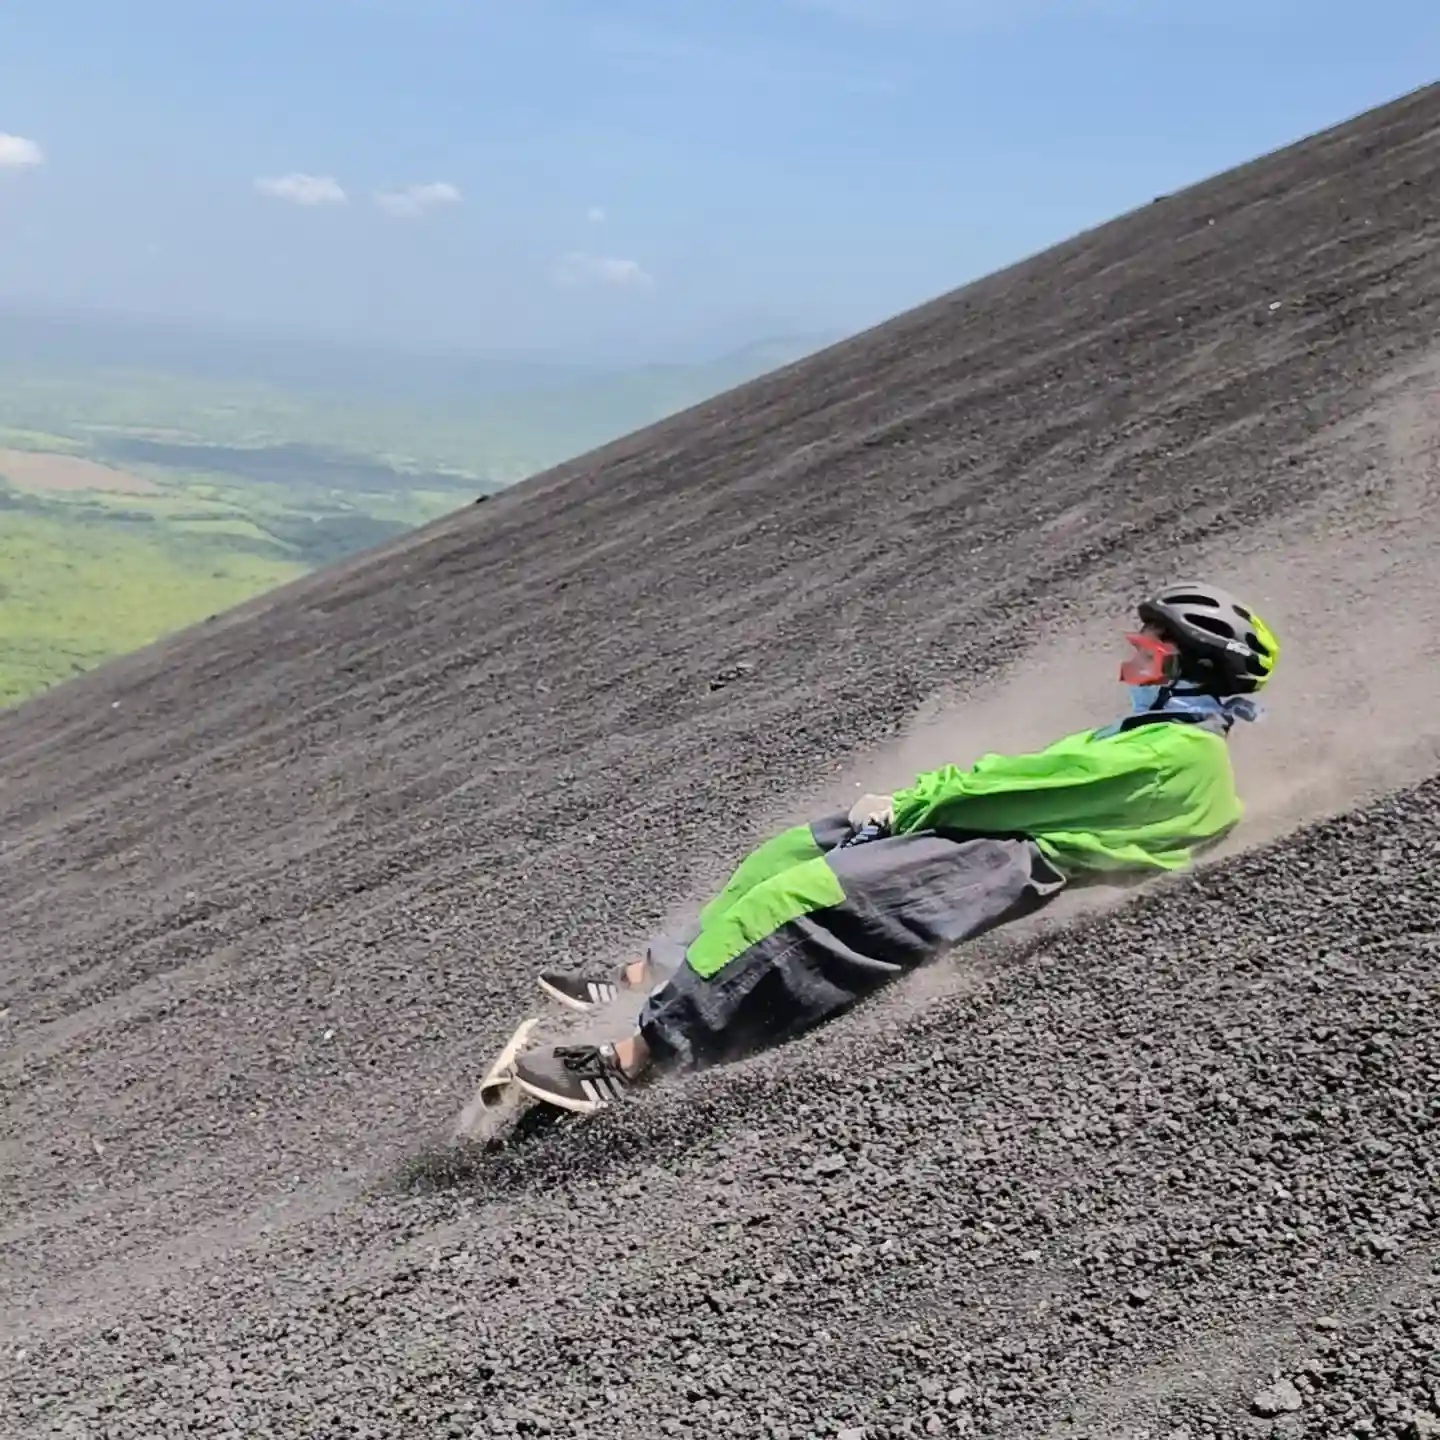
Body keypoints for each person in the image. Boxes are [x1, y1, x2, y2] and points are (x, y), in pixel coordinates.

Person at [511, 581, 1280, 1115]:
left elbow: (1020, 788)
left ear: (1192, 673)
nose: (1132, 667)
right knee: (793, 853)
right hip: (997, 844)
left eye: (1150, 657)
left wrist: (911, 805)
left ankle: (633, 1061)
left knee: (803, 907)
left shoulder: (1174, 754)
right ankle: (653, 973)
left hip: (1004, 857)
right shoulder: (1164, 738)